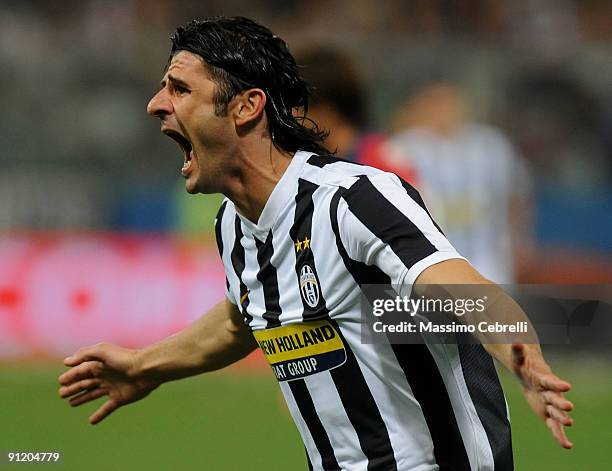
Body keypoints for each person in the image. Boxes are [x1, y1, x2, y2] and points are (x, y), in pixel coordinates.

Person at [58, 17, 573, 470]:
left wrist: (527, 361)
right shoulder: (233, 226)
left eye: (179, 88)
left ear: (245, 107)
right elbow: (246, 316)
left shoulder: (354, 198)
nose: (155, 105)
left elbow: (464, 291)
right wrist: (146, 365)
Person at [391, 83, 534, 283]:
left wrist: (520, 242)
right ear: (419, 104)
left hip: (490, 262)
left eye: (448, 101)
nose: (443, 109)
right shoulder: (402, 148)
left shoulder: (492, 143)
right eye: (435, 101)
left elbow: (515, 195)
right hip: (430, 264)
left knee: (496, 312)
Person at [295, 44, 419, 184]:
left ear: (326, 111)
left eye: (295, 107)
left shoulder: (381, 163)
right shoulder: (308, 165)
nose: (289, 117)